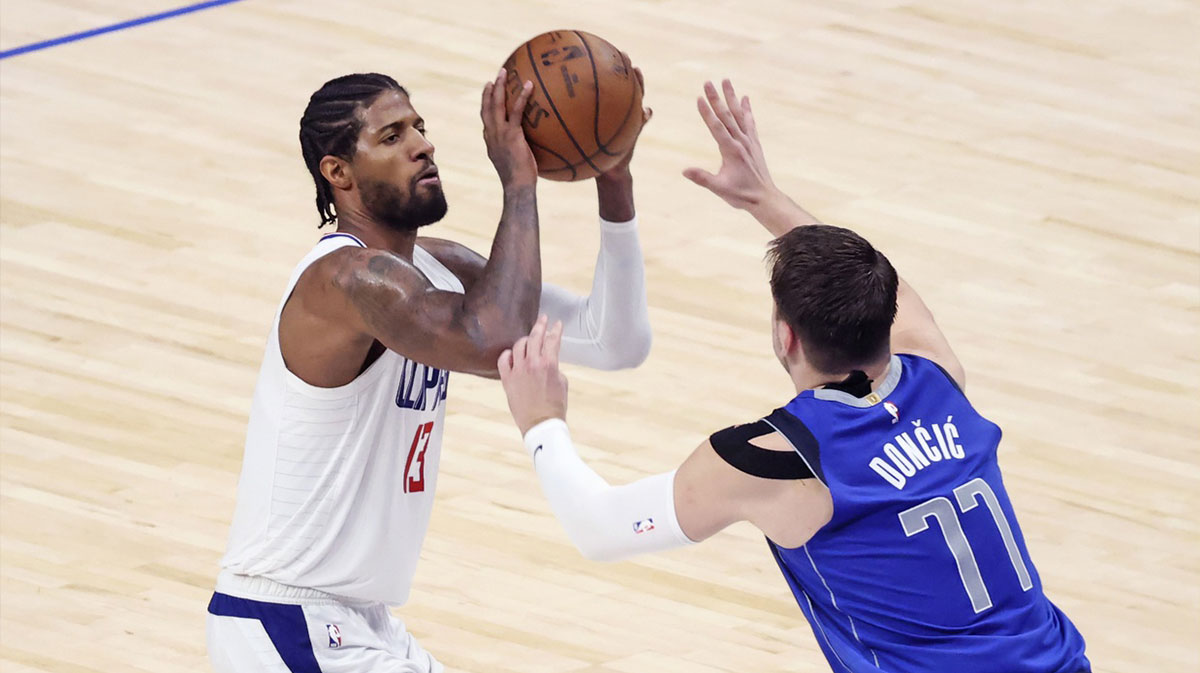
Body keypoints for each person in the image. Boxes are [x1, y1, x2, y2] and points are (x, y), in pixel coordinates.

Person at [497, 80, 1091, 673]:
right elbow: (892, 286)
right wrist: (764, 198)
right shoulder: (939, 380)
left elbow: (601, 530)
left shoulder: (777, 459)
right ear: (885, 318)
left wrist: (541, 420)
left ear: (785, 336)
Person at [206, 68, 653, 672]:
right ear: (337, 173)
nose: (422, 144)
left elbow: (613, 341)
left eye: (419, 127)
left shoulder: (434, 269)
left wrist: (614, 185)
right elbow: (494, 336)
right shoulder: (346, 279)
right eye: (391, 137)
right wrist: (519, 184)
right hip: (289, 622)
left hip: (360, 623)